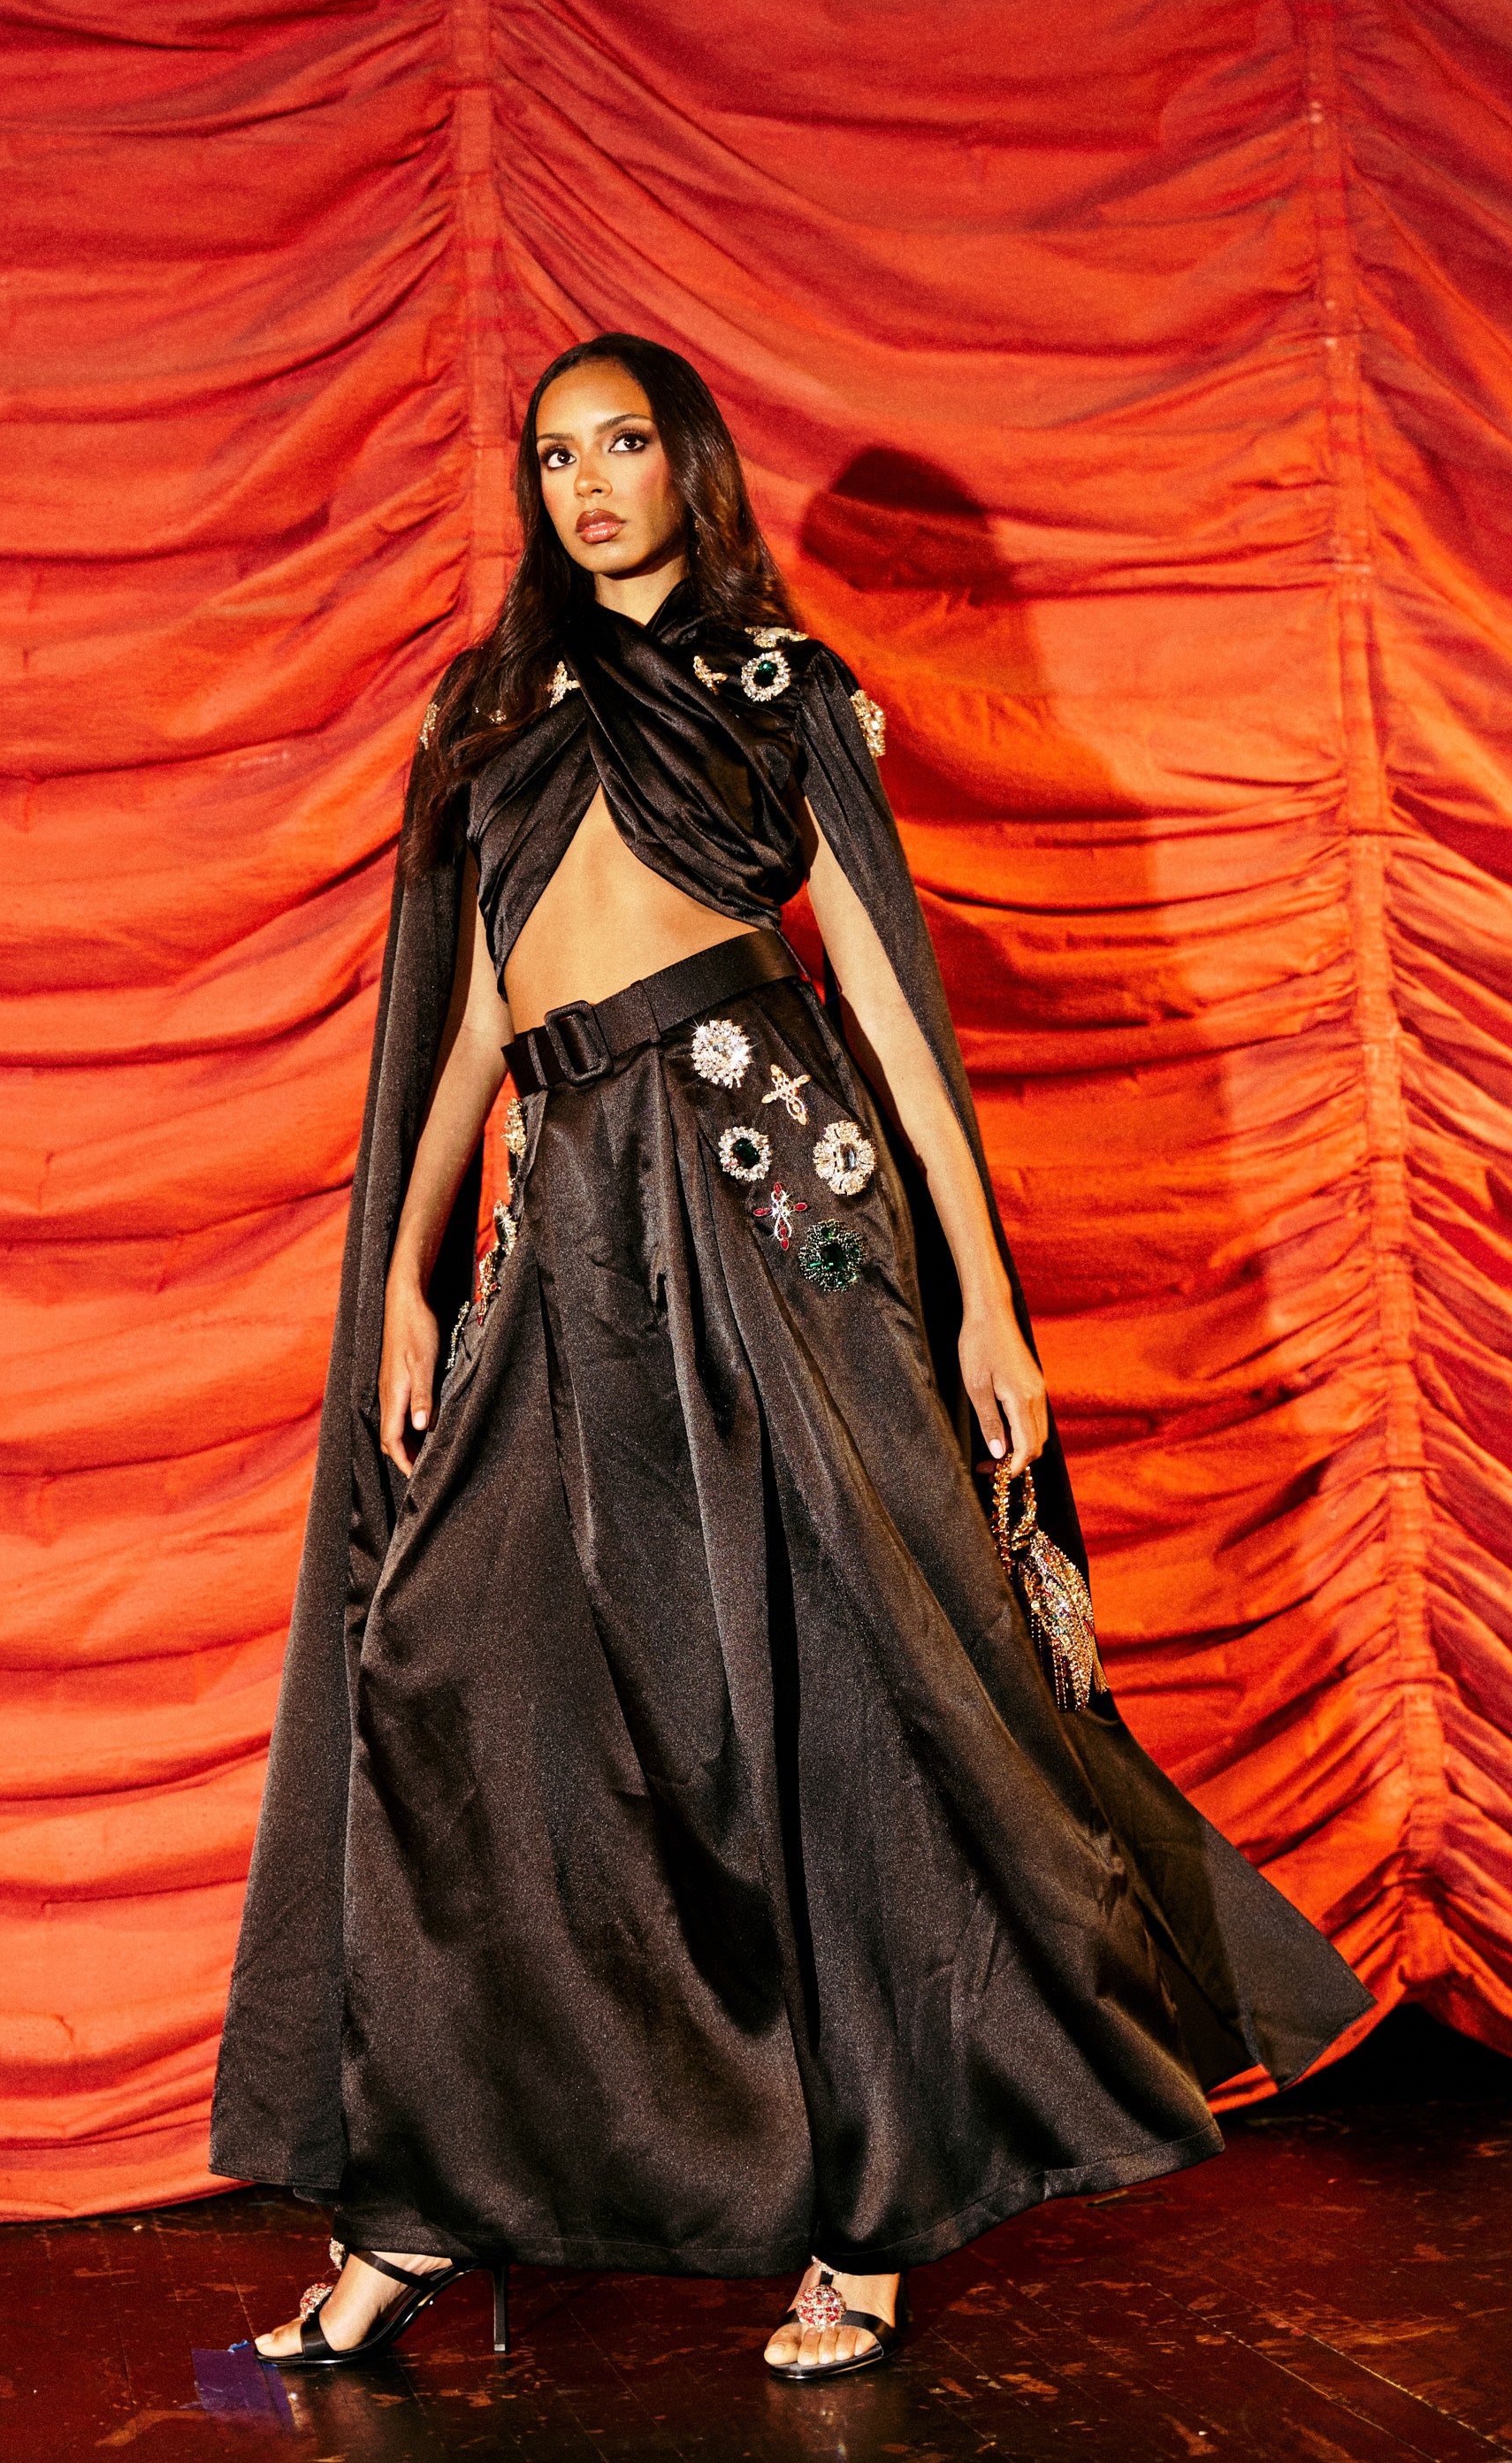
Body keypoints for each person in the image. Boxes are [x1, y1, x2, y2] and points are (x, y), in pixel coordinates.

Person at [209, 334, 1370, 2383]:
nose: (584, 483)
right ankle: (413, 2203)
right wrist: (400, 1269)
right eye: (552, 454)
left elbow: (898, 1018)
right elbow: (472, 1027)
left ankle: (869, 2210)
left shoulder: (779, 690)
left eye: (621, 444)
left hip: (776, 1200)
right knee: (466, 1677)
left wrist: (987, 1299)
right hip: (565, 1223)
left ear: (687, 466)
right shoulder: (492, 715)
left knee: (839, 1680)